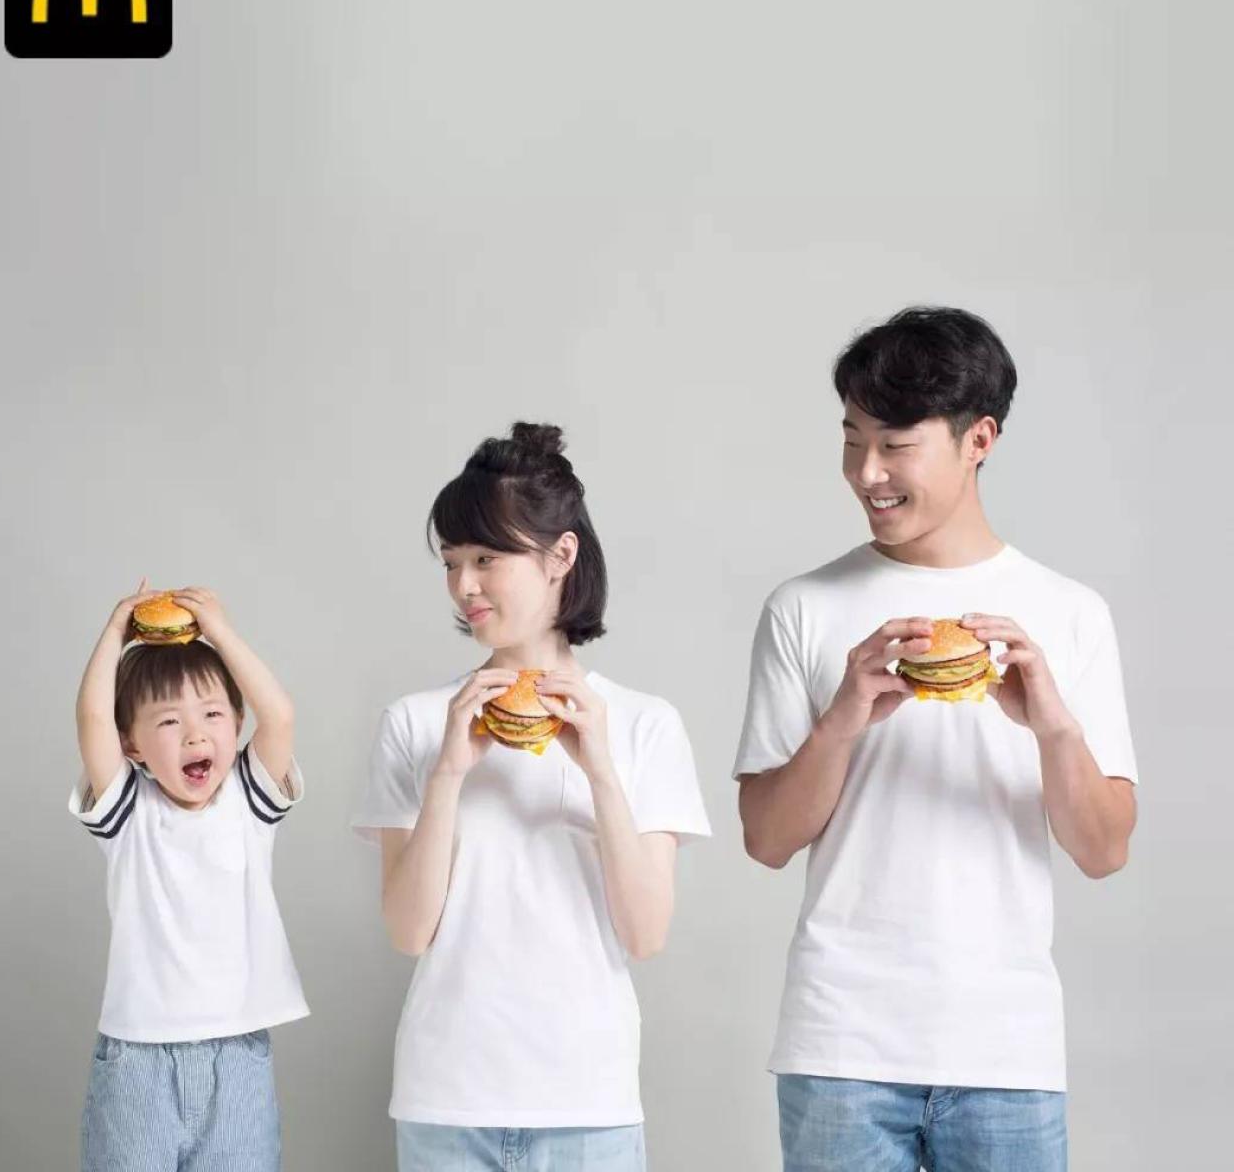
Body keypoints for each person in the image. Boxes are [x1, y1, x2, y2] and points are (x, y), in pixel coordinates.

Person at [734, 308, 1138, 1172]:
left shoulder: (1069, 614)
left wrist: (1052, 727)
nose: (866, 473)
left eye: (895, 445)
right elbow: (765, 839)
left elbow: (1104, 850)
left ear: (978, 439)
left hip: (1007, 1050)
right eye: (852, 441)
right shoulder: (804, 607)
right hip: (839, 1045)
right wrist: (844, 716)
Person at [353, 422, 711, 1172]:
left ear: (561, 556)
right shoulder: (415, 722)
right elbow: (408, 932)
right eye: (452, 562)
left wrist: (600, 771)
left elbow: (645, 934)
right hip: (445, 1105)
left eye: (487, 558)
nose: (464, 585)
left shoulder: (643, 724)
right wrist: (448, 773)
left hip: (588, 1105)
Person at [71, 583, 307, 1171]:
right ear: (132, 744)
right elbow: (93, 716)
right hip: (138, 1061)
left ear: (237, 722)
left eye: (213, 715)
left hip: (238, 1056)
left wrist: (219, 632)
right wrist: (115, 630)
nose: (196, 735)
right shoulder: (128, 813)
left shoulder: (249, 802)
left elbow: (279, 714)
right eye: (170, 721)